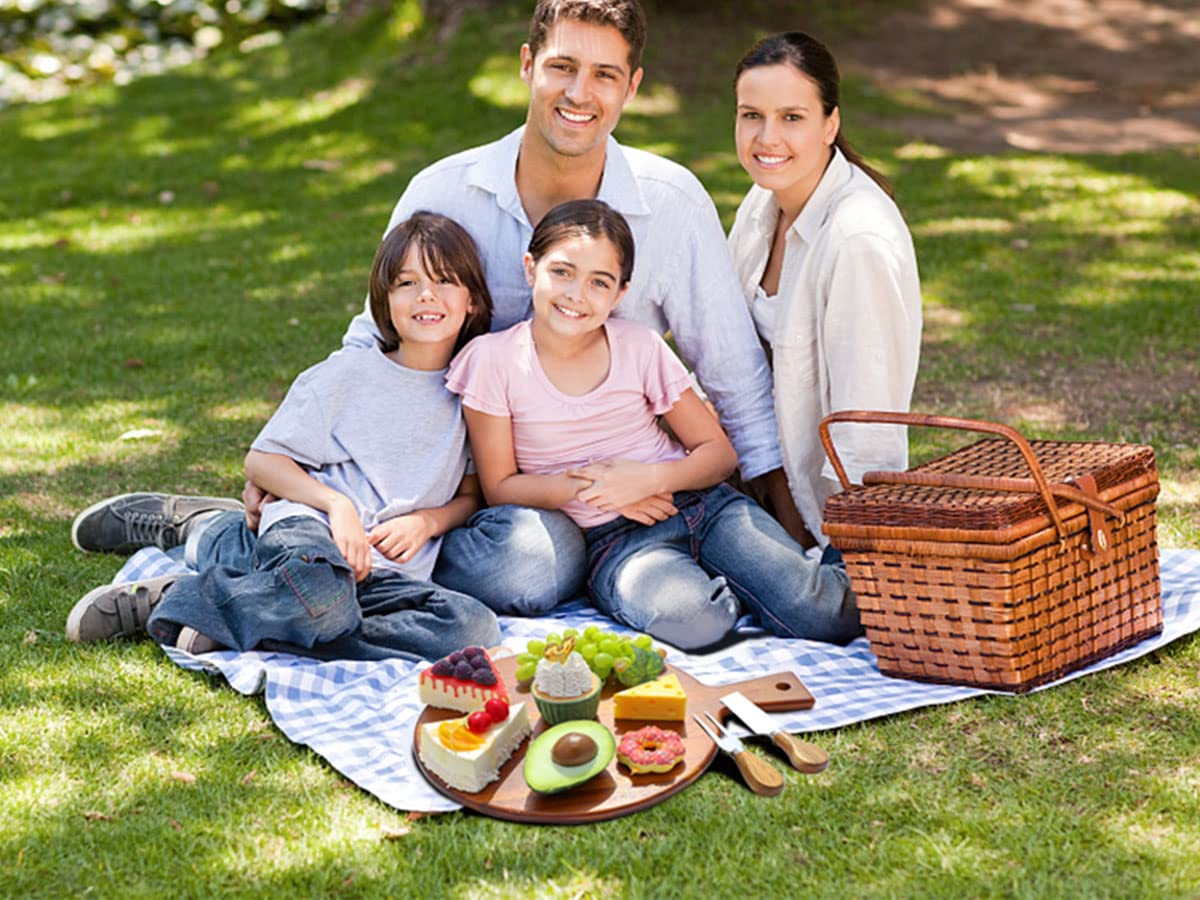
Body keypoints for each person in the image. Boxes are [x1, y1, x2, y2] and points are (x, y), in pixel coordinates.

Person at [72, 0, 794, 614]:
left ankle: (275, 560)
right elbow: (372, 337)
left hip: (572, 497)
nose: (580, 93)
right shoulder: (443, 192)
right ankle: (234, 538)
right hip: (436, 478)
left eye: (604, 74)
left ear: (631, 87)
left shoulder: (669, 204)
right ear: (526, 66)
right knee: (519, 565)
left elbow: (731, 371)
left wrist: (787, 532)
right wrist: (290, 456)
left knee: (538, 566)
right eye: (562, 67)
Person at [66, 213, 501, 661]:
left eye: (445, 280)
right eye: (407, 282)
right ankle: (175, 601)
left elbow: (470, 494)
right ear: (384, 299)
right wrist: (338, 506)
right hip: (310, 534)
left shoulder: (473, 392)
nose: (426, 295)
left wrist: (428, 522)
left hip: (381, 573)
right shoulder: (347, 375)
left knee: (471, 627)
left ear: (471, 300)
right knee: (321, 597)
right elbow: (263, 461)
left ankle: (241, 607)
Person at [446, 199, 859, 650]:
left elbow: (718, 454)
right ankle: (748, 587)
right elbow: (501, 487)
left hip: (703, 507)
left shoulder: (638, 347)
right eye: (562, 272)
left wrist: (648, 479)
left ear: (620, 294)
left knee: (823, 615)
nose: (576, 294)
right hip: (617, 545)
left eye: (598, 282)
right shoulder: (493, 361)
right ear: (531, 268)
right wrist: (599, 489)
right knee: (697, 624)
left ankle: (870, 557)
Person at [727, 31, 923, 546]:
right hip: (754, 477)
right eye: (752, 115)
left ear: (830, 124)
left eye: (792, 117)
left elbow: (867, 430)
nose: (767, 137)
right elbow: (725, 351)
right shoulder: (760, 204)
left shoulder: (858, 239)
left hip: (824, 519)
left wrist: (849, 552)